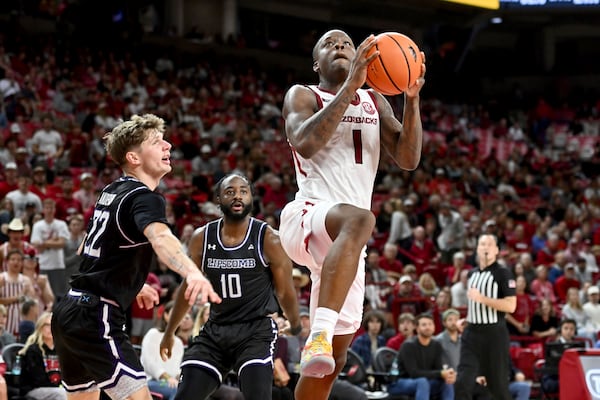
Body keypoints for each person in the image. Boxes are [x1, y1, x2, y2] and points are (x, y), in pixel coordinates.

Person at [278, 28, 425, 400]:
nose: (341, 47)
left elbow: (408, 159)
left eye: (346, 43)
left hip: (346, 244)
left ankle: (322, 344)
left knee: (334, 361)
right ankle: (318, 335)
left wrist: (410, 98)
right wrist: (351, 85)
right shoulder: (303, 94)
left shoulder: (376, 101)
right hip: (308, 216)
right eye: (330, 44)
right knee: (362, 218)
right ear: (317, 63)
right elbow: (306, 143)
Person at [51, 113, 221, 400]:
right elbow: (161, 238)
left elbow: (88, 248)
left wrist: (129, 282)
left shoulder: (111, 191)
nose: (167, 146)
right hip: (97, 315)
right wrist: (192, 272)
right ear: (134, 157)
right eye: (157, 142)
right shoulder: (145, 196)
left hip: (69, 310)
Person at [159, 173, 301, 400]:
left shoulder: (269, 239)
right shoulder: (201, 238)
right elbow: (189, 290)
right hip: (216, 330)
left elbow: (284, 291)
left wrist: (295, 324)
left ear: (252, 198)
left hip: (255, 331)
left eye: (243, 191)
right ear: (218, 199)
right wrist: (169, 332)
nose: (237, 196)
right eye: (230, 192)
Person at [454, 234, 517, 400]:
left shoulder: (504, 273)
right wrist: (467, 319)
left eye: (490, 244)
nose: (486, 247)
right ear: (477, 249)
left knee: (498, 387)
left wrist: (483, 299)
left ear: (496, 250)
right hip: (472, 334)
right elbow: (475, 305)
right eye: (482, 244)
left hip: (494, 334)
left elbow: (511, 306)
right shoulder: (471, 274)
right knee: (462, 382)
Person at [387, 313, 455, 400]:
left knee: (447, 381)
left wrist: (447, 375)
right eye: (424, 325)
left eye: (430, 324)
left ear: (434, 327)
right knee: (422, 382)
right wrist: (440, 373)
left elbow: (438, 369)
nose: (427, 327)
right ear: (417, 329)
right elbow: (413, 373)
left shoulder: (436, 345)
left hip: (424, 381)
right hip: (399, 382)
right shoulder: (408, 345)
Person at [18, 311, 67, 400]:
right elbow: (38, 380)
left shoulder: (61, 350)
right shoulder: (33, 350)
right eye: (47, 325)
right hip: (34, 389)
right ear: (40, 327)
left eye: (53, 325)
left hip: (57, 389)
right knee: (63, 394)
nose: (50, 328)